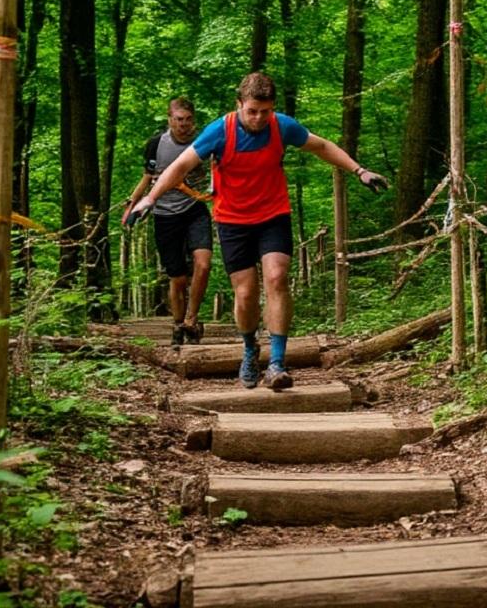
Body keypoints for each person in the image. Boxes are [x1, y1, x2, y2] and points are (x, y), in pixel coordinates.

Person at [128, 72, 388, 390]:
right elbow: (180, 166)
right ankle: (250, 348)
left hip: (273, 214)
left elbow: (320, 146)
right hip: (232, 220)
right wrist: (149, 199)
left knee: (277, 277)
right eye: (252, 111)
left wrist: (358, 171)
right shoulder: (219, 131)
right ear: (239, 104)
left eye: (265, 111)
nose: (259, 118)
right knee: (247, 293)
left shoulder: (282, 126)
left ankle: (277, 362)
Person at [122, 97, 213, 346]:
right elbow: (147, 178)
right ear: (169, 119)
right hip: (164, 213)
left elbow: (217, 170)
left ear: (194, 120)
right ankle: (177, 323)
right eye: (179, 119)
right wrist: (133, 203)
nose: (184, 124)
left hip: (195, 208)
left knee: (203, 264)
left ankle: (192, 320)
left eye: (188, 120)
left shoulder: (204, 142)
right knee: (178, 278)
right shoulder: (156, 144)